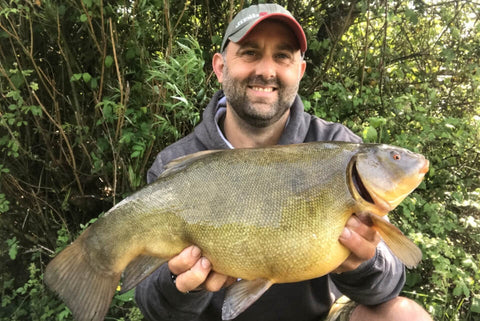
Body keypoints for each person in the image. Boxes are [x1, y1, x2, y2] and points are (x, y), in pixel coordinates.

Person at [135, 3, 432, 321]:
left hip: (317, 316)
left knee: (402, 315)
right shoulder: (176, 163)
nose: (267, 70)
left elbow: (387, 286)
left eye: (282, 56)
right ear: (220, 67)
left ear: (300, 71)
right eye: (250, 53)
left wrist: (363, 262)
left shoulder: (339, 147)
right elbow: (152, 306)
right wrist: (182, 285)